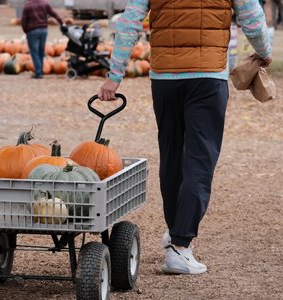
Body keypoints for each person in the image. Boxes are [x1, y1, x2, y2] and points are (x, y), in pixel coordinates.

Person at [98, 0, 272, 275]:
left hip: (165, 79)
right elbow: (251, 16)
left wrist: (115, 75)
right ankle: (180, 246)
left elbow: (129, 22)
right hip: (208, 78)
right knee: (199, 162)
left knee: (172, 157)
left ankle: (175, 230)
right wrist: (264, 51)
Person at [20, 0, 64, 79]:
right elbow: (53, 13)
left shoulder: (27, 5)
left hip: (32, 31)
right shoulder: (45, 3)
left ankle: (38, 72)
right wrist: (61, 22)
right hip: (43, 30)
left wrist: (26, 30)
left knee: (34, 52)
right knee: (41, 51)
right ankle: (41, 70)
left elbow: (23, 20)